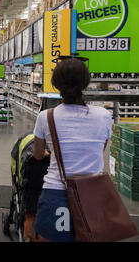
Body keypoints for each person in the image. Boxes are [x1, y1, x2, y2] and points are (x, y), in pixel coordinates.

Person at [31, 58, 112, 242]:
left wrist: (49, 153)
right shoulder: (104, 116)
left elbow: (37, 155)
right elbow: (99, 149)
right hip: (93, 193)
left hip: (56, 192)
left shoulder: (46, 117)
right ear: (86, 82)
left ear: (55, 84)